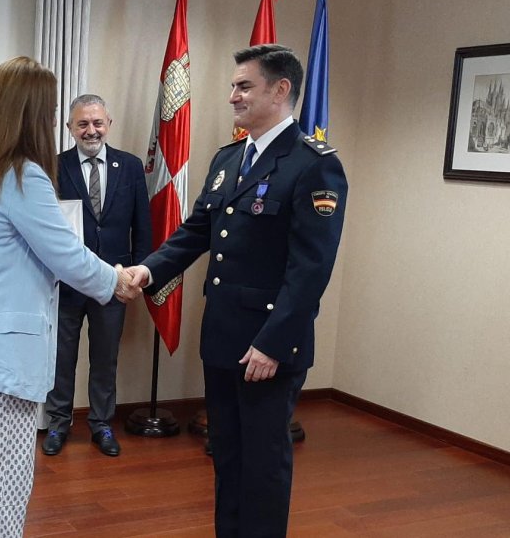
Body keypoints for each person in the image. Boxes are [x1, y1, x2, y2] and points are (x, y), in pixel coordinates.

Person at [127, 44, 348, 537]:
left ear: (281, 90)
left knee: (264, 464)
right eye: (233, 86)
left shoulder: (311, 165)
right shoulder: (231, 158)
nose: (232, 96)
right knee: (226, 454)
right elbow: (197, 231)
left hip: (267, 346)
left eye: (243, 86)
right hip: (224, 338)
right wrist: (148, 271)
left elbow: (311, 269)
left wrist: (273, 342)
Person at [0, 57, 137, 537]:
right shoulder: (20, 175)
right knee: (1, 481)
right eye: (47, 113)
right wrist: (116, 280)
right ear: (27, 115)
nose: (52, 123)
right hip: (4, 349)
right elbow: (66, 255)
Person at [41, 94, 152, 458]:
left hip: (114, 282)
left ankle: (102, 424)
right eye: (83, 124)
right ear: (70, 128)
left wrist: (139, 272)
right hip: (67, 283)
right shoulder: (53, 167)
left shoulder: (131, 166)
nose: (91, 130)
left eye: (97, 123)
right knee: (62, 357)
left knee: (105, 358)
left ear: (109, 124)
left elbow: (142, 225)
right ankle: (58, 423)